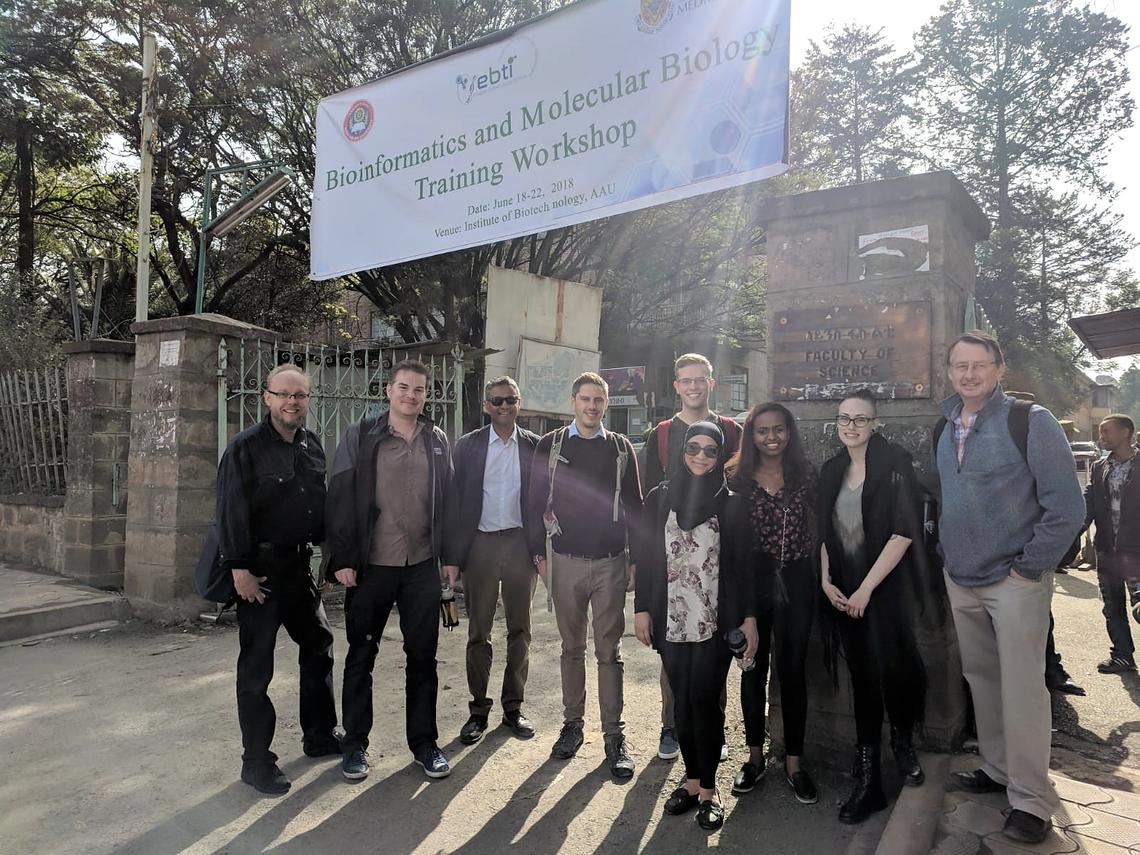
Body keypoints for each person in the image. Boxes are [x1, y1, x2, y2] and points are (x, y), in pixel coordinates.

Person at [935, 332, 1084, 845]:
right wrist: (948, 559)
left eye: (979, 365)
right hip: (962, 577)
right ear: (949, 371)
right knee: (984, 682)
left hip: (1013, 582)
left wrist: (1029, 568)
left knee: (1023, 693)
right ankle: (998, 771)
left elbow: (1067, 506)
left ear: (1000, 368)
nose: (969, 374)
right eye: (960, 365)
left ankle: (1031, 802)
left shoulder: (1031, 422)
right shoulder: (945, 423)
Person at [326, 359, 455, 782]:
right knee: (361, 656)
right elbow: (341, 497)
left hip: (420, 565)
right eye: (403, 387)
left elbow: (448, 505)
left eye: (419, 390)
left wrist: (449, 558)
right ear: (388, 390)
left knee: (423, 658)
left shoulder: (436, 440)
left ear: (426, 394)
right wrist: (342, 559)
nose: (410, 396)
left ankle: (424, 744)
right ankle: (355, 747)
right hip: (370, 566)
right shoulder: (362, 436)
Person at [215, 363, 339, 796]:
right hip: (260, 575)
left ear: (308, 400)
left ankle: (320, 735)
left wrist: (329, 558)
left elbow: (318, 507)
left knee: (319, 647)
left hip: (299, 569)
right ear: (266, 397)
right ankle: (256, 762)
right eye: (284, 394)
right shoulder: (245, 448)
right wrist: (239, 570)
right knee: (257, 669)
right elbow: (229, 512)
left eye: (300, 395)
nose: (292, 402)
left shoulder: (312, 445)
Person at [633, 421, 758, 831]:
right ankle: (689, 780)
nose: (701, 456)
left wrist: (747, 620)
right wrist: (642, 609)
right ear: (681, 452)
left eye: (710, 450)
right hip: (670, 620)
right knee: (682, 703)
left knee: (705, 701)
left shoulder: (734, 503)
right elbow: (649, 560)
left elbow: (743, 568)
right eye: (693, 448)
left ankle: (709, 789)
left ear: (721, 455)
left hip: (714, 623)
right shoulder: (659, 498)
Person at [526, 371, 643, 780]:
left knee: (609, 652)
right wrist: (537, 557)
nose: (592, 406)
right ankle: (572, 725)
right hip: (565, 562)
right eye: (585, 399)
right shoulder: (551, 445)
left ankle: (614, 736)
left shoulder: (621, 448)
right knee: (571, 647)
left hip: (611, 562)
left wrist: (635, 561)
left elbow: (636, 507)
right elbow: (533, 501)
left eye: (599, 400)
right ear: (573, 401)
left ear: (606, 404)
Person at [818, 389, 927, 824]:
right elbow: (822, 529)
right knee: (862, 680)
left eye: (861, 419)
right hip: (843, 592)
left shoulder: (895, 463)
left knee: (896, 670)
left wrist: (866, 589)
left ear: (875, 423)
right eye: (845, 418)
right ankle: (868, 780)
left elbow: (903, 532)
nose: (852, 426)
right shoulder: (831, 470)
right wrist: (825, 580)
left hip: (885, 591)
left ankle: (903, 743)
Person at [642, 353, 741, 762]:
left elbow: (740, 489)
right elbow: (648, 505)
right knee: (676, 654)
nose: (694, 386)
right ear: (676, 386)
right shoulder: (662, 435)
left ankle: (711, 732)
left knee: (711, 659)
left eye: (700, 379)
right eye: (686, 380)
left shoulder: (732, 432)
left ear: (711, 383)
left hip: (714, 558)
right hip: (673, 562)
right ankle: (672, 726)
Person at [726, 402, 820, 805]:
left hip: (798, 581)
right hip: (753, 582)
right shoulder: (736, 478)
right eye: (762, 431)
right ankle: (753, 758)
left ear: (789, 432)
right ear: (752, 436)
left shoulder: (805, 474)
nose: (771, 438)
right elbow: (732, 546)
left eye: (778, 429)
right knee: (752, 669)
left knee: (793, 670)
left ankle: (795, 764)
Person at [444, 376, 541, 744]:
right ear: (486, 405)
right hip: (480, 548)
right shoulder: (467, 447)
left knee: (521, 630)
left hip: (519, 545)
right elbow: (453, 503)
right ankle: (478, 710)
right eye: (497, 401)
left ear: (520, 404)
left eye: (511, 401)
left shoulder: (534, 446)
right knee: (478, 632)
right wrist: (452, 557)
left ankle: (513, 708)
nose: (504, 407)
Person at [1085, 413, 1140, 674]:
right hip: (1107, 549)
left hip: (1136, 550)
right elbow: (1089, 504)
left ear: (1126, 432)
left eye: (1107, 431)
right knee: (1112, 605)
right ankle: (1122, 656)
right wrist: (1071, 534)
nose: (1101, 436)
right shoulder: (1099, 467)